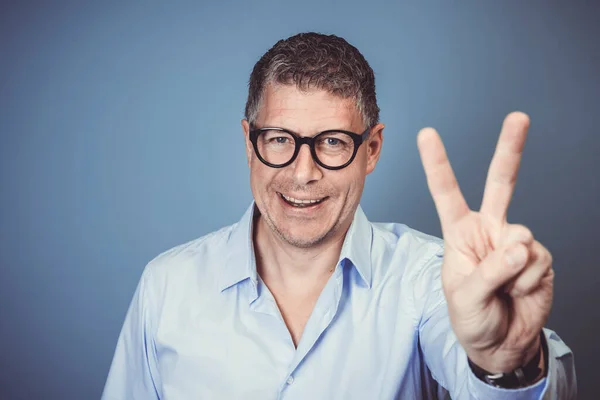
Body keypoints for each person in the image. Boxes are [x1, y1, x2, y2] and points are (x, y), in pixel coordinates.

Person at [102, 32, 576, 399]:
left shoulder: (433, 280)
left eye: (331, 142)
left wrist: (506, 361)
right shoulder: (167, 286)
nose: (303, 174)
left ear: (371, 150)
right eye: (279, 140)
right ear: (250, 144)